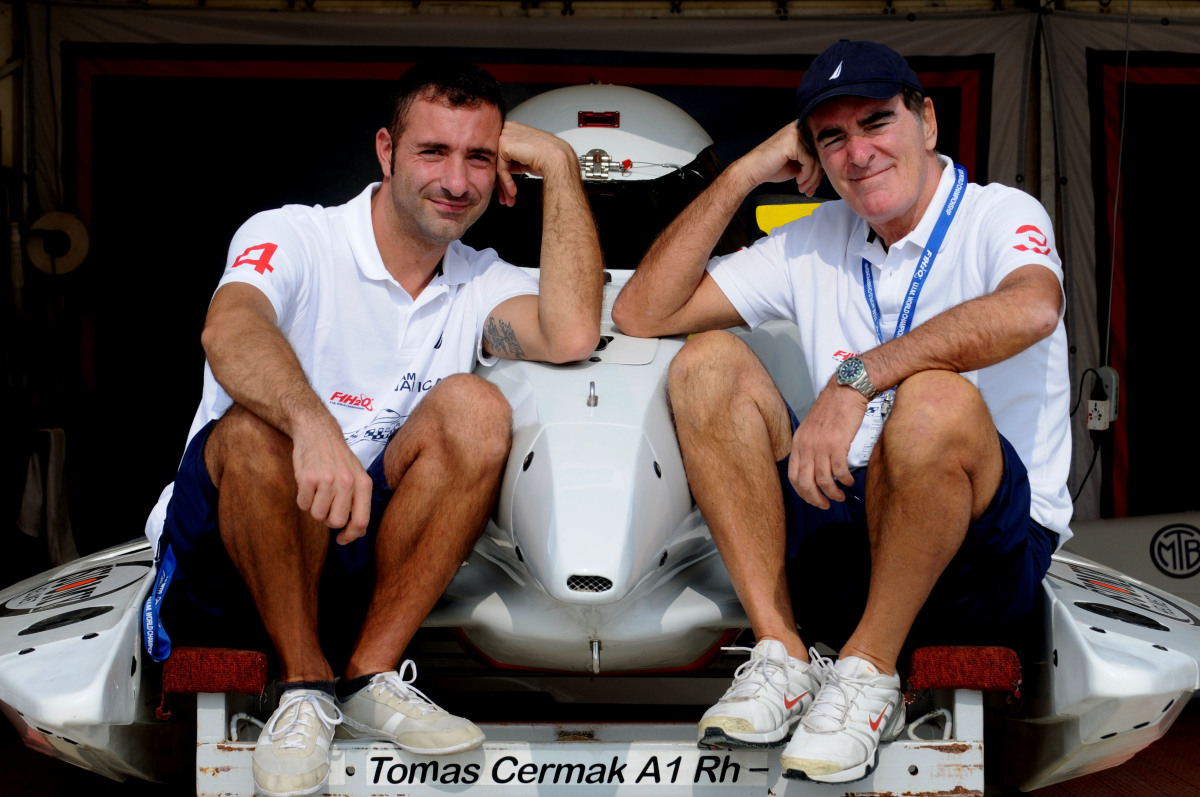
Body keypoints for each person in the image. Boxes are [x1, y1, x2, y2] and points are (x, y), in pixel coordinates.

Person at [612, 39, 1070, 784]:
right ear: (814, 157)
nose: (858, 154)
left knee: (933, 396)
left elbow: (1032, 307)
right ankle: (781, 654)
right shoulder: (814, 235)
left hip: (979, 558)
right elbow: (642, 313)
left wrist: (856, 380)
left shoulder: (998, 211)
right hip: (839, 535)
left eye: (877, 122)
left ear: (927, 121)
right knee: (705, 363)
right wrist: (742, 173)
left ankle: (868, 671)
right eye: (832, 138)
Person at [141, 62, 602, 797]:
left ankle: (369, 677)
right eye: (433, 152)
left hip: (359, 548)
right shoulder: (297, 234)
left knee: (477, 408)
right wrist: (313, 427)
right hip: (232, 552)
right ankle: (303, 685)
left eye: (479, 158)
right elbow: (229, 329)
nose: (456, 181)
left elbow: (572, 333)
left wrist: (560, 164)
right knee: (254, 434)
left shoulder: (482, 279)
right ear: (386, 151)